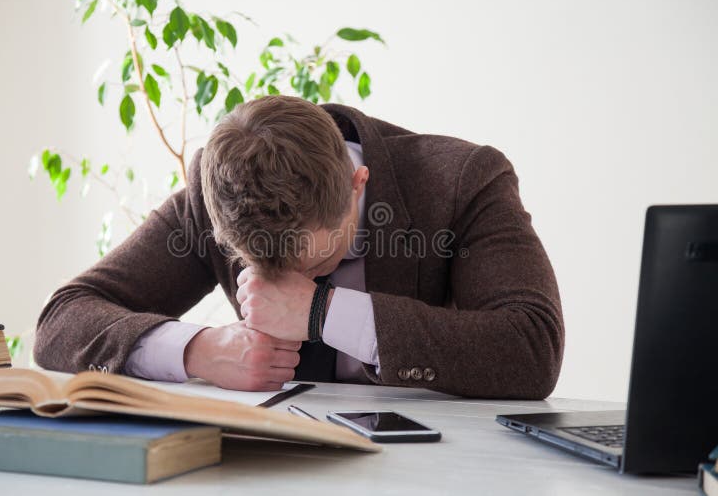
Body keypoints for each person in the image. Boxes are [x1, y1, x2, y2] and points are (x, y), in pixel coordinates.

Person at [34, 95, 564, 399]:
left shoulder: (462, 180)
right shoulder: (217, 186)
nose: (285, 278)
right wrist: (199, 351)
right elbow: (61, 322)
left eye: (311, 260)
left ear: (358, 186)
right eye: (260, 263)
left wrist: (321, 310)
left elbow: (532, 348)